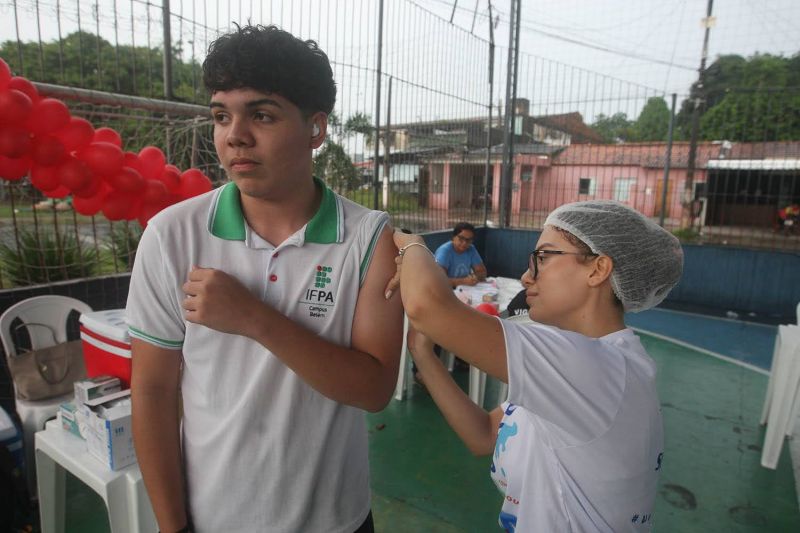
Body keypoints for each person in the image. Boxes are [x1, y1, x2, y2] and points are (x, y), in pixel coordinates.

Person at [127, 24, 403, 533]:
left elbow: (373, 389)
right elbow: (152, 392)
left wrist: (254, 317)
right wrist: (172, 526)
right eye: (220, 116)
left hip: (336, 519)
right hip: (215, 518)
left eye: (262, 114)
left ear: (316, 129)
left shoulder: (368, 238)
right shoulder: (172, 236)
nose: (235, 135)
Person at [385, 200, 683, 531]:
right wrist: (424, 355)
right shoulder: (576, 368)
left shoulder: (594, 367)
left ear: (598, 270)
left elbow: (429, 306)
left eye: (543, 258)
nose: (527, 276)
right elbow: (484, 435)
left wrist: (410, 243)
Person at [434, 222, 487, 287]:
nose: (464, 243)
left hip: (465, 289)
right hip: (447, 290)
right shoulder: (444, 251)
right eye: (461, 238)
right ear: (453, 237)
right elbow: (439, 281)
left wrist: (476, 277)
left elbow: (482, 271)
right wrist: (463, 281)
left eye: (469, 240)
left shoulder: (471, 249)